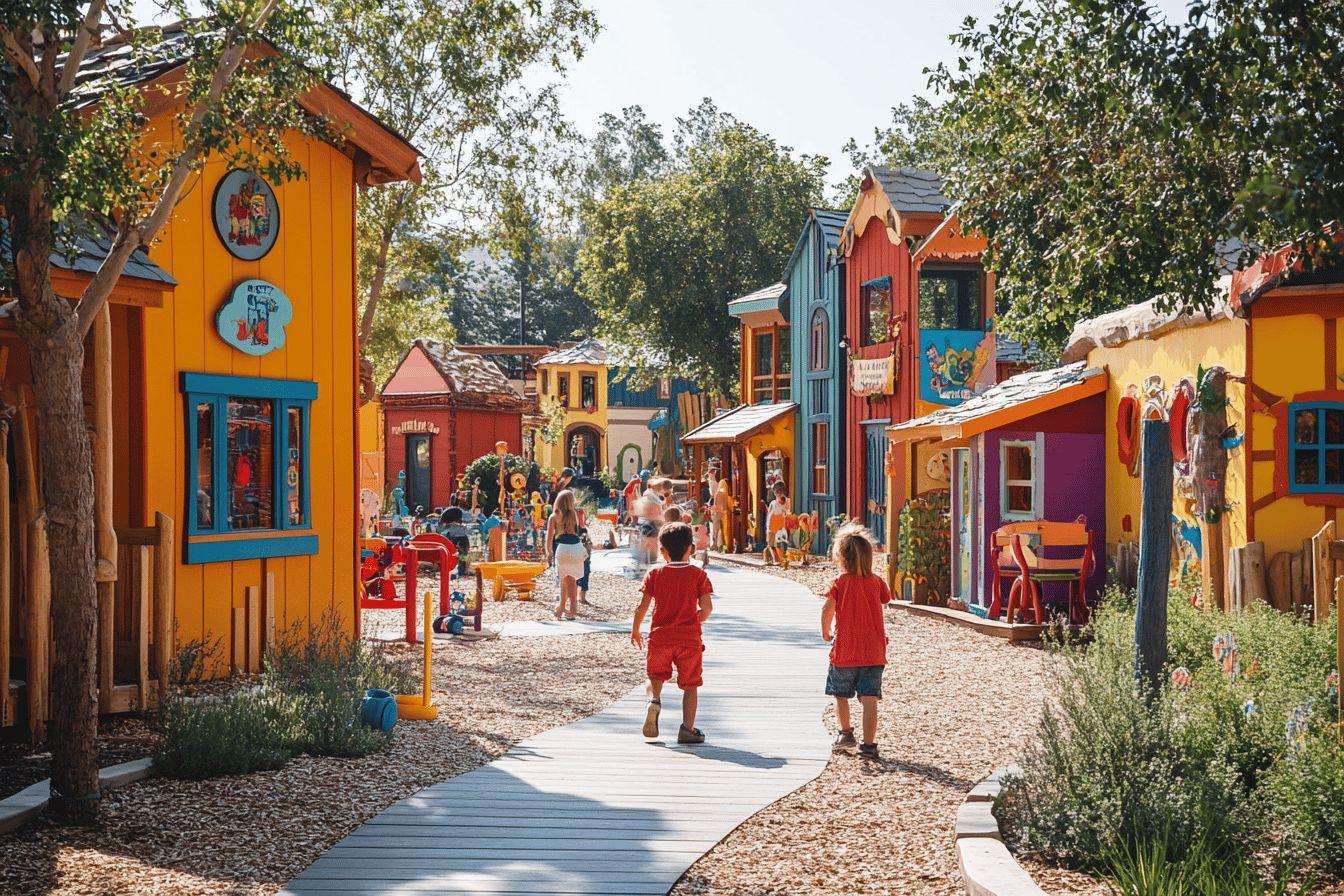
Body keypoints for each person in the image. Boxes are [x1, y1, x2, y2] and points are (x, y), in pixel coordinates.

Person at [631, 522, 714, 744]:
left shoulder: (655, 574)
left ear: (662, 550)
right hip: (689, 639)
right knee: (690, 685)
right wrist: (696, 618)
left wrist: (636, 629)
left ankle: (654, 701)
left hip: (660, 638)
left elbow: (642, 607)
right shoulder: (698, 575)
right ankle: (687, 729)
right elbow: (707, 608)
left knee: (654, 676)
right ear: (691, 549)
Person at [820, 524, 891, 760]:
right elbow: (885, 598)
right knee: (870, 698)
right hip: (873, 651)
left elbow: (827, 609)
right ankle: (869, 746)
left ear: (840, 557)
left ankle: (846, 733)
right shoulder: (877, 582)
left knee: (841, 694)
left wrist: (825, 631)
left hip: (846, 650)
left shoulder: (839, 583)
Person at [546, 489, 588, 620]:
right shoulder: (574, 514)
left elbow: (549, 538)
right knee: (570, 579)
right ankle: (563, 607)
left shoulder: (554, 516)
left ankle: (571, 607)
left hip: (562, 549)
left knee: (565, 579)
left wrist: (548, 553)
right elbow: (580, 529)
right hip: (576, 548)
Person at [764, 480, 792, 564]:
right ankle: (782, 559)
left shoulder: (774, 503)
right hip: (783, 524)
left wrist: (768, 527)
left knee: (772, 544)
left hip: (773, 525)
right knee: (782, 543)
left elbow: (770, 515)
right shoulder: (788, 501)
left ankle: (776, 559)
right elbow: (788, 513)